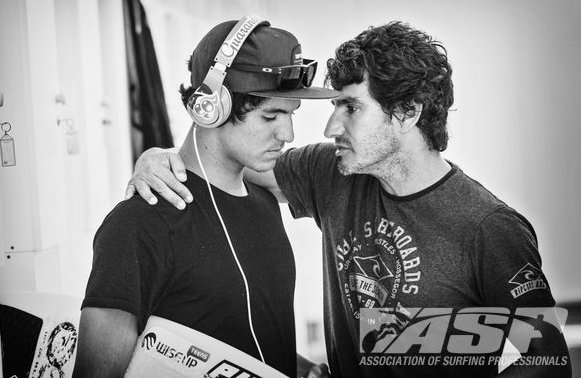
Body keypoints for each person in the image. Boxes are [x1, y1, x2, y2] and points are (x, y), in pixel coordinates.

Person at [126, 21, 571, 377]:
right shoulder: (334, 172)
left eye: (351, 108)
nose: (330, 128)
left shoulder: (487, 225)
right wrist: (160, 156)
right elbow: (228, 156)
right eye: (333, 106)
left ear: (408, 111)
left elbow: (544, 358)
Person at [73, 15, 337, 378]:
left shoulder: (263, 201)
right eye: (271, 116)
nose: (288, 134)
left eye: (290, 115)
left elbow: (235, 337)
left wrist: (299, 368)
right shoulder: (140, 223)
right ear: (211, 107)